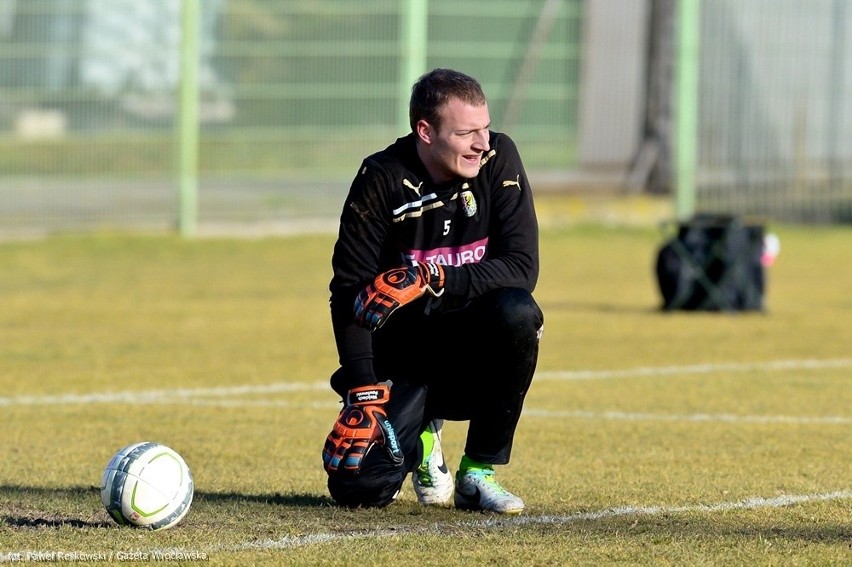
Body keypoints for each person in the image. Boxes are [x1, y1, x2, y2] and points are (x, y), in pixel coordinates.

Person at [322, 68, 543, 515]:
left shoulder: (498, 157)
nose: (483, 142)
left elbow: (522, 267)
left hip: (469, 350)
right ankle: (423, 434)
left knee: (518, 313)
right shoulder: (381, 177)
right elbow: (348, 290)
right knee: (361, 490)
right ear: (425, 131)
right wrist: (363, 387)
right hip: (403, 352)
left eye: (485, 127)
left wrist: (437, 277)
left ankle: (478, 472)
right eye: (466, 133)